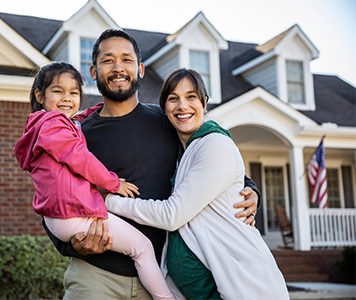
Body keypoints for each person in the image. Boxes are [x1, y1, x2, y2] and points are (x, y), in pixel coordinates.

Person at [43, 29, 261, 300]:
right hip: (96, 276)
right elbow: (50, 197)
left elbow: (214, 156)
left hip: (160, 279)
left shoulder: (169, 119)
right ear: (93, 71)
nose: (118, 67)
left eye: (127, 59)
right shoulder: (77, 134)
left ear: (141, 69)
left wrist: (250, 190)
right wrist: (74, 247)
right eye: (108, 60)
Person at [105, 68, 289, 300]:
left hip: (244, 286)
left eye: (191, 97)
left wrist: (108, 202)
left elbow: (173, 215)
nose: (182, 106)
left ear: (204, 103)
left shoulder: (215, 144)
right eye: (173, 99)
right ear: (164, 109)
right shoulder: (181, 148)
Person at [14, 62, 175, 300]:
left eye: (74, 92)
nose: (66, 98)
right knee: (142, 249)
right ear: (40, 95)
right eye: (58, 91)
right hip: (75, 218)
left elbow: (199, 150)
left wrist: (93, 112)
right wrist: (113, 183)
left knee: (140, 250)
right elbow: (81, 158)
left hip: (61, 217)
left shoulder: (50, 126)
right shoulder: (54, 126)